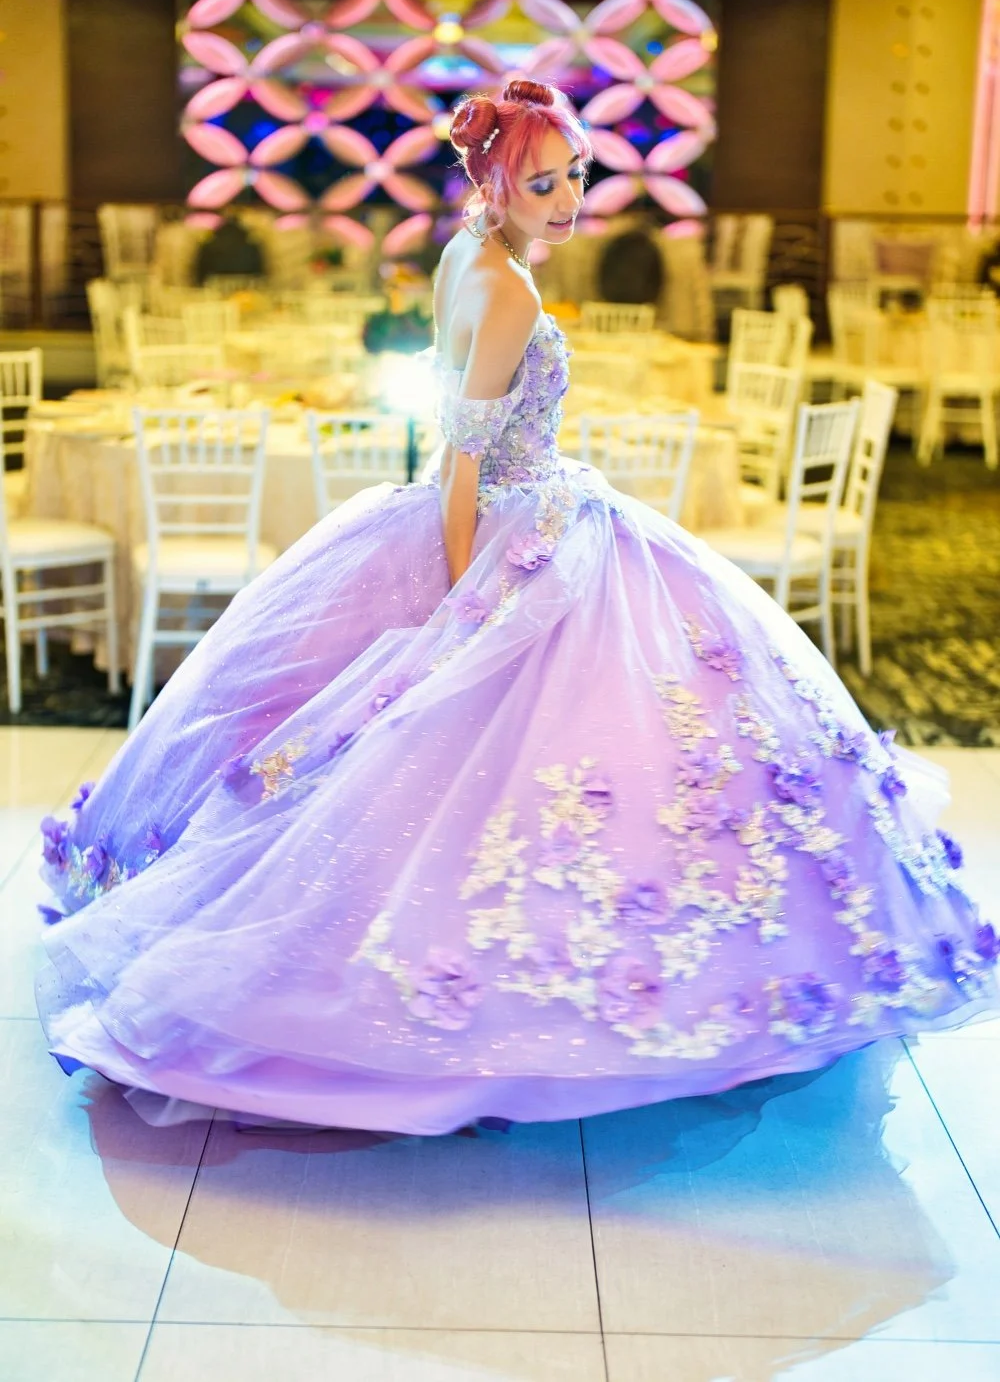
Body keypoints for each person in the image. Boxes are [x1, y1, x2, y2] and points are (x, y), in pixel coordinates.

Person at [36, 81, 998, 1136]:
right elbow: (461, 464)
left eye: (576, 174)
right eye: (543, 181)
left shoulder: (464, 260)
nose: (568, 197)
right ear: (494, 182)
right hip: (506, 529)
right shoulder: (508, 294)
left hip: (522, 506)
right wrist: (462, 605)